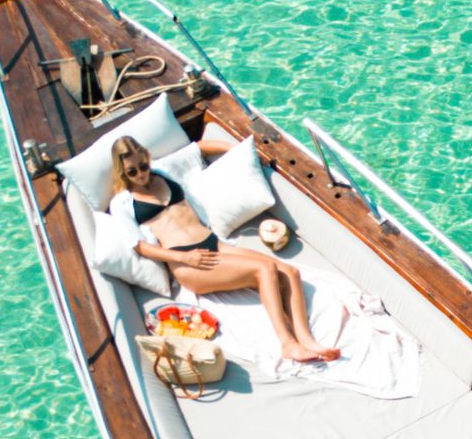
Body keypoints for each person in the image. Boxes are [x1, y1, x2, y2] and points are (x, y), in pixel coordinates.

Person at [110, 135, 340, 363]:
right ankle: (288, 344)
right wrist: (185, 258)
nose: (141, 174)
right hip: (186, 262)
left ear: (147, 159)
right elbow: (139, 247)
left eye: (143, 165)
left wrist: (238, 151)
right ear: (122, 173)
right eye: (132, 172)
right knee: (265, 270)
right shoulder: (122, 203)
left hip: (214, 243)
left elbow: (198, 149)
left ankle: (307, 340)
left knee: (290, 273)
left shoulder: (162, 170)